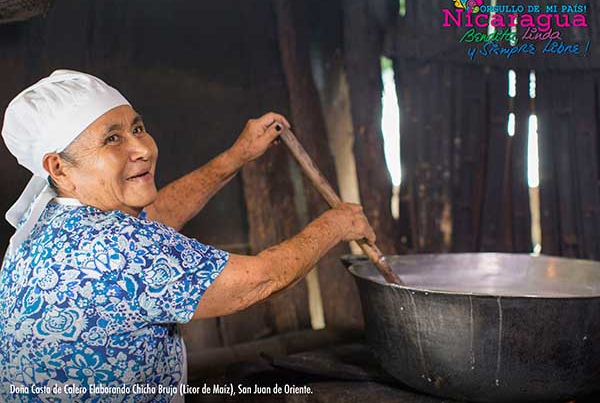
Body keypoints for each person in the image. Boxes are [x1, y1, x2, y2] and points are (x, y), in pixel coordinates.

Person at [0, 70, 375, 402]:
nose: (142, 149)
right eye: (112, 140)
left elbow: (156, 217)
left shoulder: (45, 222)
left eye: (137, 128)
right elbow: (260, 280)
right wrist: (337, 225)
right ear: (59, 168)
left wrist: (237, 156)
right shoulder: (122, 247)